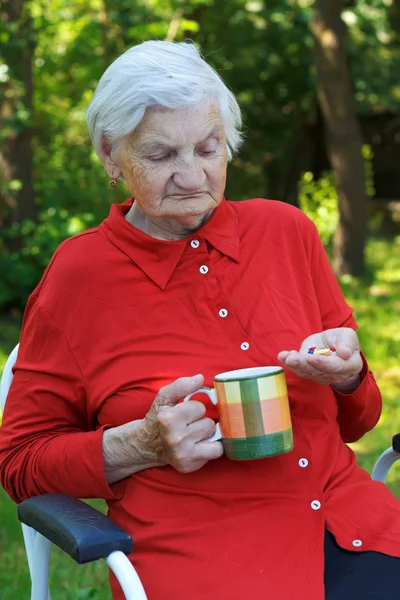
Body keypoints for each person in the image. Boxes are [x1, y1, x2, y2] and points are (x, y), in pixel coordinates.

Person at [1, 40, 400, 600]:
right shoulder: (79, 276)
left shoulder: (286, 233)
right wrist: (141, 443)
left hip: (355, 528)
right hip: (209, 559)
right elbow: (20, 462)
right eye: (162, 156)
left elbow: (359, 421)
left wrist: (349, 377)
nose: (192, 176)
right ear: (111, 155)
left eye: (209, 149)